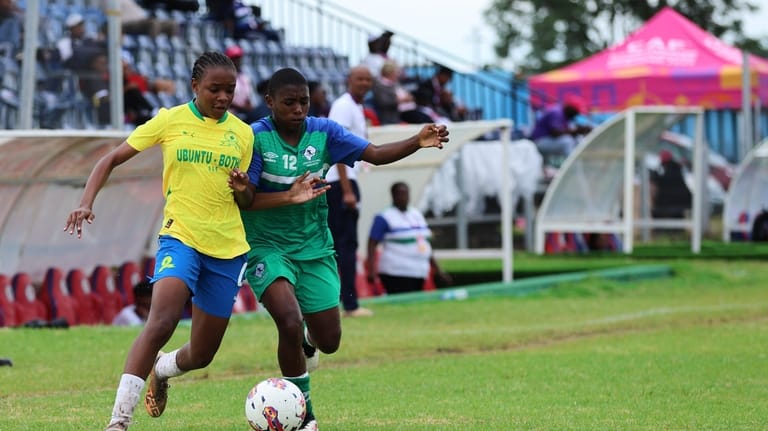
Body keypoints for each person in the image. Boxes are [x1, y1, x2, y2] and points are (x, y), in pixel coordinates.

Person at [241, 67, 449, 431]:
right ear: (270, 102)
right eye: (289, 102)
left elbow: (375, 153)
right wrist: (288, 196)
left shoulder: (324, 132)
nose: (298, 109)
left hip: (314, 247)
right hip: (266, 246)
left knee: (330, 341)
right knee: (288, 320)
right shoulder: (255, 138)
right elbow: (245, 200)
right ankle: (305, 415)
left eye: (303, 101)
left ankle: (311, 341)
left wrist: (417, 141)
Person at [64, 51, 258, 431]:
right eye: (214, 89)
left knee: (201, 354)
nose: (223, 97)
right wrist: (86, 203)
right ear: (195, 87)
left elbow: (247, 200)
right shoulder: (169, 120)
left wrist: (243, 188)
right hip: (180, 236)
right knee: (162, 320)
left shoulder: (243, 133)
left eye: (229, 90)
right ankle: (118, 421)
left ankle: (163, 370)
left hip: (228, 248)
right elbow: (110, 159)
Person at [327, 65, 375, 318]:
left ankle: (343, 301)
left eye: (368, 79)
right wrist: (346, 189)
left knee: (344, 245)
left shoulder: (356, 106)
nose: (364, 83)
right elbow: (338, 146)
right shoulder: (344, 106)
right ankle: (349, 304)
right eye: (360, 78)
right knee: (344, 245)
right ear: (349, 80)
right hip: (340, 182)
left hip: (346, 180)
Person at [366, 182, 452, 294]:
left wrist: (437, 269)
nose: (403, 197)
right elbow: (372, 243)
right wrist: (372, 269)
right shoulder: (384, 216)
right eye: (399, 194)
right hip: (396, 272)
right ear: (393, 196)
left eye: (405, 194)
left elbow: (425, 243)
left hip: (419, 271)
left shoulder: (416, 214)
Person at [371, 60, 413, 125]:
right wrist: (400, 100)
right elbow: (383, 102)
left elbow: (408, 95)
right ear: (389, 72)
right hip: (388, 117)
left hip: (403, 113)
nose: (398, 74)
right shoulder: (378, 85)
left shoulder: (396, 83)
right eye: (396, 72)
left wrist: (409, 97)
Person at [225, 44, 259, 123]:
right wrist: (242, 108)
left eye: (238, 58)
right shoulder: (224, 77)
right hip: (229, 113)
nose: (237, 61)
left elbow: (248, 97)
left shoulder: (244, 77)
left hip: (243, 113)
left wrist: (249, 107)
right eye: (234, 58)